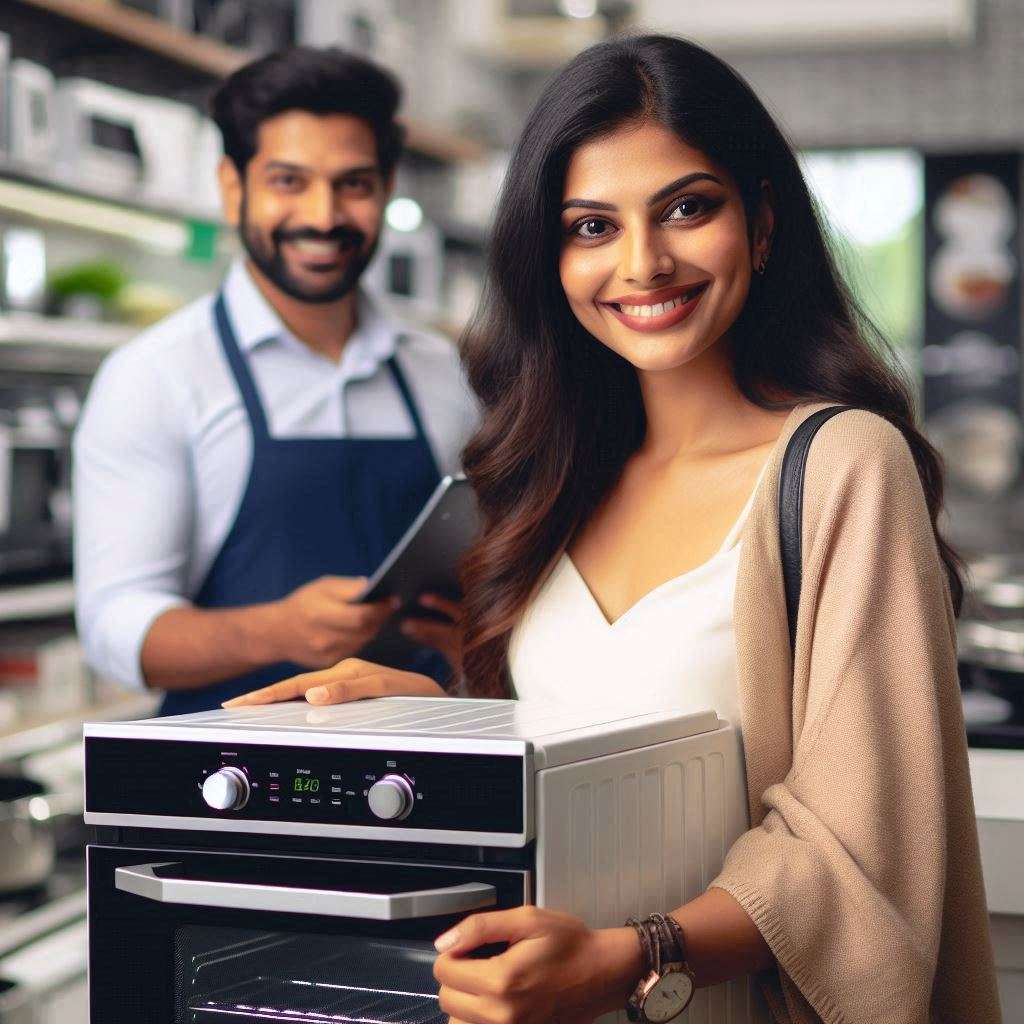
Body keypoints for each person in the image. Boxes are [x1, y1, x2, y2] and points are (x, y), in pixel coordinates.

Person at [222, 35, 1001, 1024]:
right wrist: (435, 714)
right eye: (590, 225)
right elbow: (580, 751)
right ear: (547, 259)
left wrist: (632, 955)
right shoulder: (541, 481)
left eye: (686, 207)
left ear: (760, 223)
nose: (642, 262)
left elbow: (862, 843)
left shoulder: (842, 465)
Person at [73, 47, 476, 715]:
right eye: (289, 181)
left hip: (422, 780)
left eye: (353, 183)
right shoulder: (156, 377)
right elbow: (114, 627)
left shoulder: (445, 373)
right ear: (233, 185)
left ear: (386, 185)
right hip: (223, 788)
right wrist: (275, 630)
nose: (323, 215)